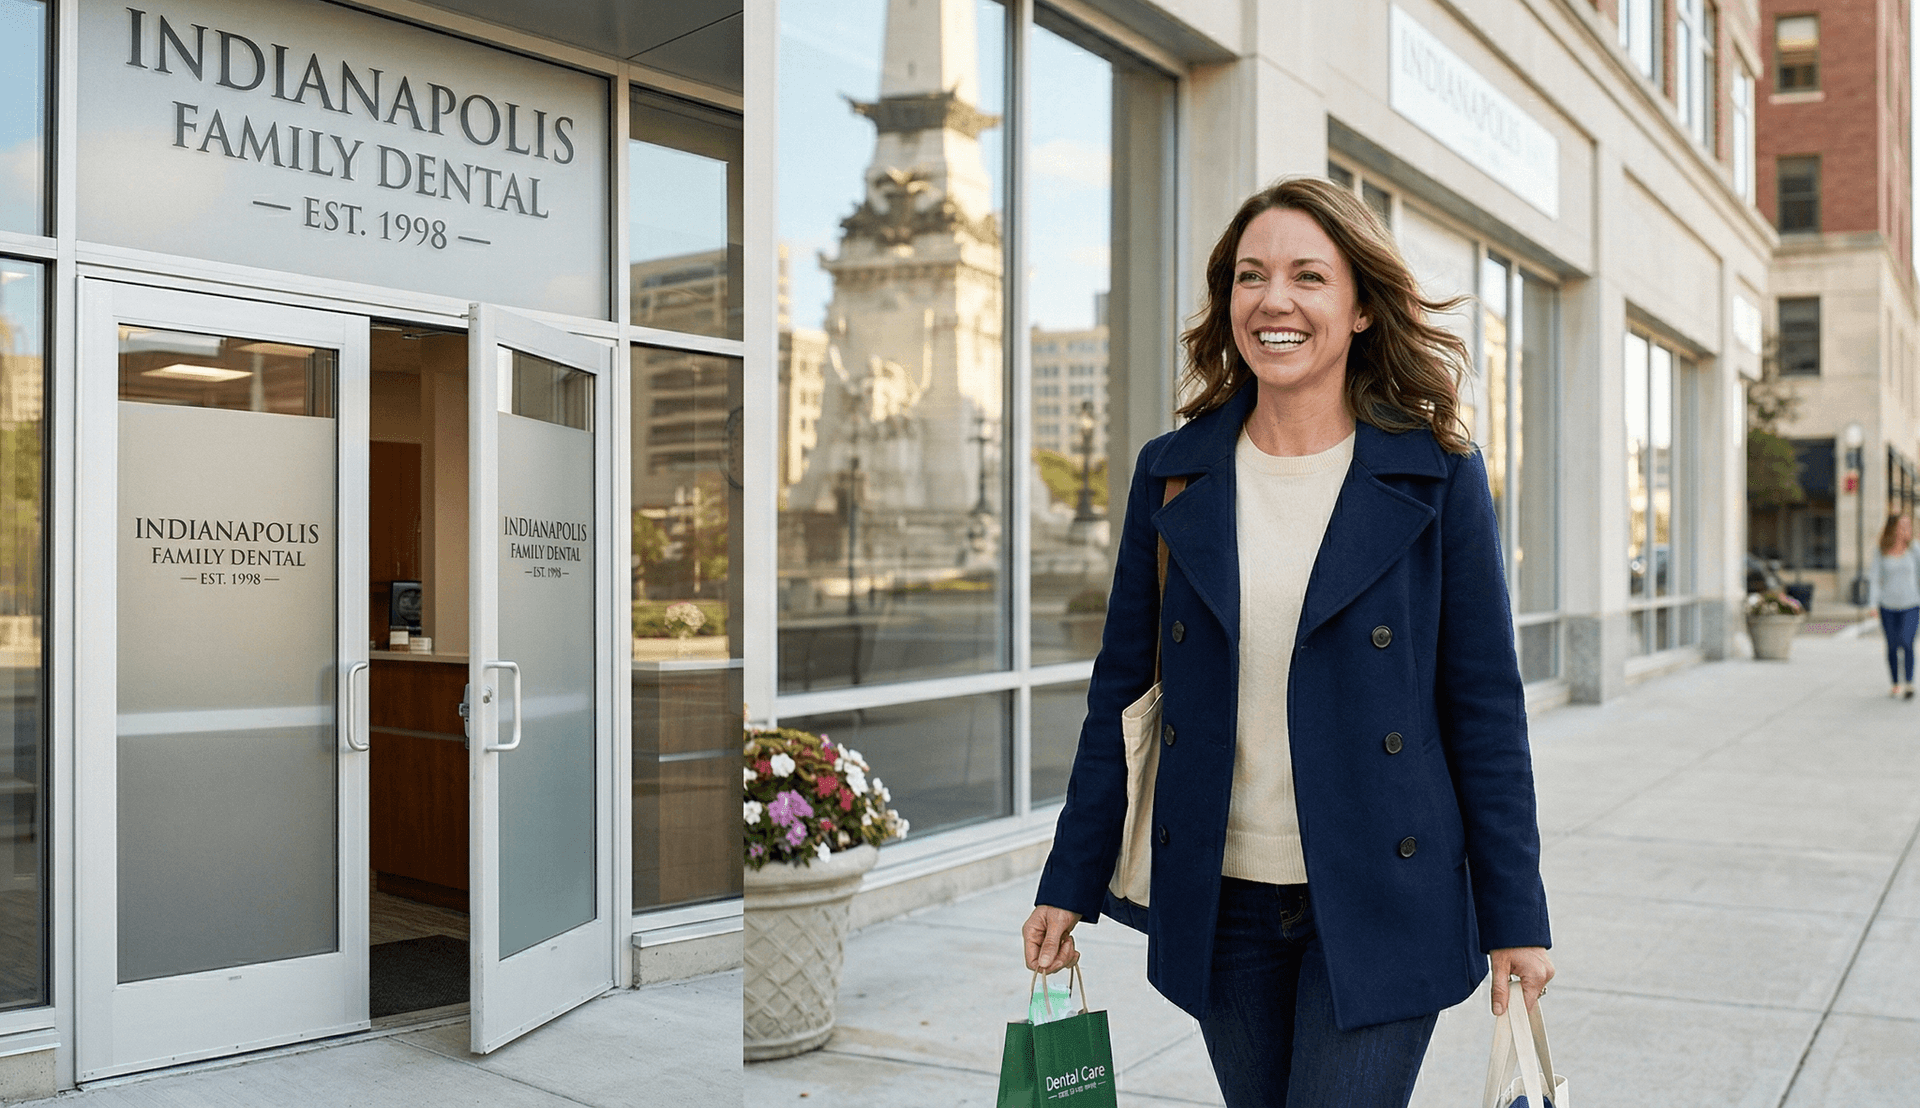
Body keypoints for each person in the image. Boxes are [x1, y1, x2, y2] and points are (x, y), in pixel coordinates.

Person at [1020, 177, 1553, 1106]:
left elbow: (1483, 708)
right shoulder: (1175, 474)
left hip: (1387, 893)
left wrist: (1517, 914)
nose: (1276, 301)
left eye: (1310, 276)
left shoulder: (1437, 474)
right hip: (1220, 899)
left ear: (1358, 309)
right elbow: (1122, 691)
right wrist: (1069, 879)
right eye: (1251, 276)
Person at [1872, 513, 1920, 699]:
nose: (1906, 529)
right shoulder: (1881, 549)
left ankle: (1908, 682)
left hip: (1911, 604)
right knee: (1892, 645)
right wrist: (1872, 604)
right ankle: (1895, 683)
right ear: (1893, 528)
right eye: (1902, 526)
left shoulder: (1914, 549)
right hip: (1888, 606)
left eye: (1908, 526)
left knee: (1907, 642)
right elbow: (1875, 578)